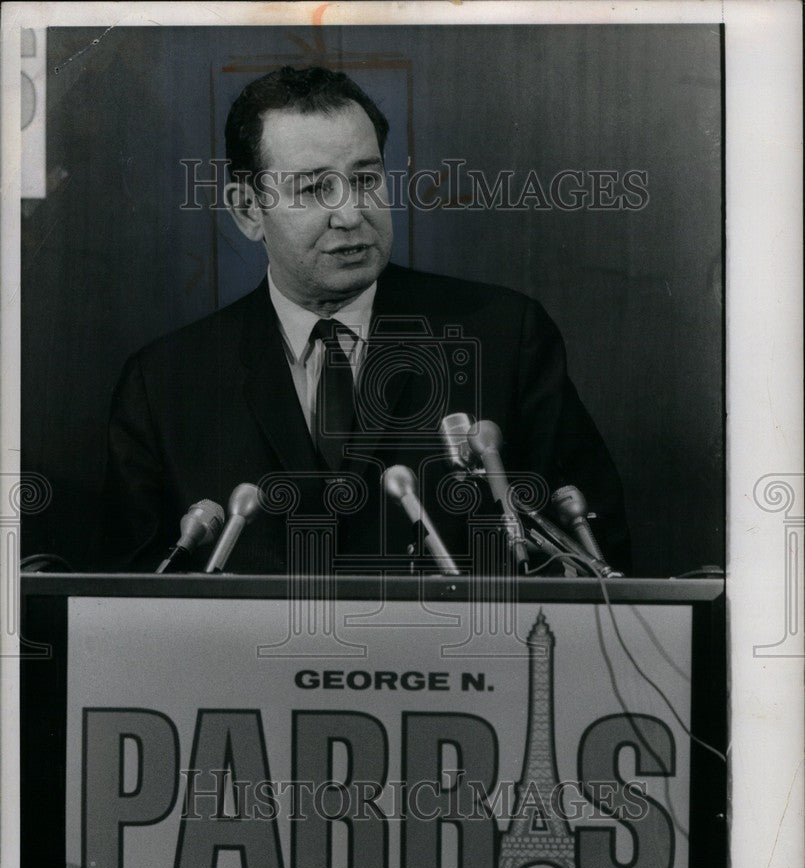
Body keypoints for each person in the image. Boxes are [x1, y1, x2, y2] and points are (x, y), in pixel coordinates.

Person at [100, 66, 629, 575]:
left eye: (366, 179)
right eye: (312, 189)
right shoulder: (164, 384)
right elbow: (125, 609)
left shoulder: (504, 338)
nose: (351, 214)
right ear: (247, 210)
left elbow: (590, 556)